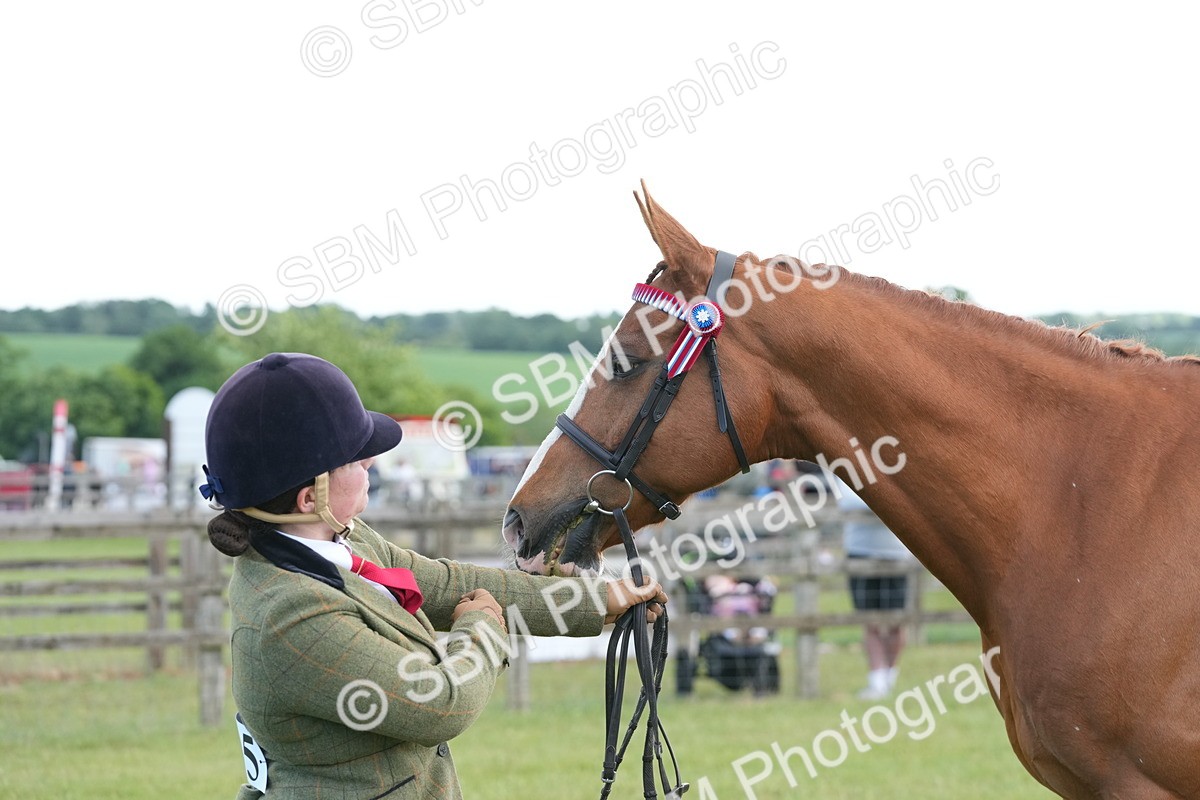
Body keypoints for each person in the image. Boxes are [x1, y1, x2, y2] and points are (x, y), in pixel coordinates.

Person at [199, 352, 665, 799]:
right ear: (310, 497)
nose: (370, 463)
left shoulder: (340, 540)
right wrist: (481, 626)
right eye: (355, 460)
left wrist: (598, 599)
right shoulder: (292, 614)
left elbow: (441, 585)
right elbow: (438, 702)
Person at [834, 476, 915, 701]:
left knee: (896, 623)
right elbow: (848, 502)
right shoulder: (845, 468)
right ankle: (877, 681)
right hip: (859, 552)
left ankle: (890, 676)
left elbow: (902, 501)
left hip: (895, 554)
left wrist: (875, 499)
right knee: (871, 623)